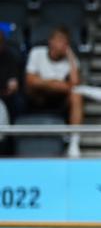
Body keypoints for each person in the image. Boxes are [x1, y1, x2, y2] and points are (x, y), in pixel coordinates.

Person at [24, 27, 83, 157]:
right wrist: (55, 84)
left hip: (59, 101)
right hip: (37, 97)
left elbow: (75, 84)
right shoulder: (37, 53)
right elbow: (30, 81)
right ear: (51, 41)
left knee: (76, 95)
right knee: (32, 86)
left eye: (65, 43)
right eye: (59, 41)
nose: (62, 45)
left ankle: (74, 142)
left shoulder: (71, 60)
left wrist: (71, 57)